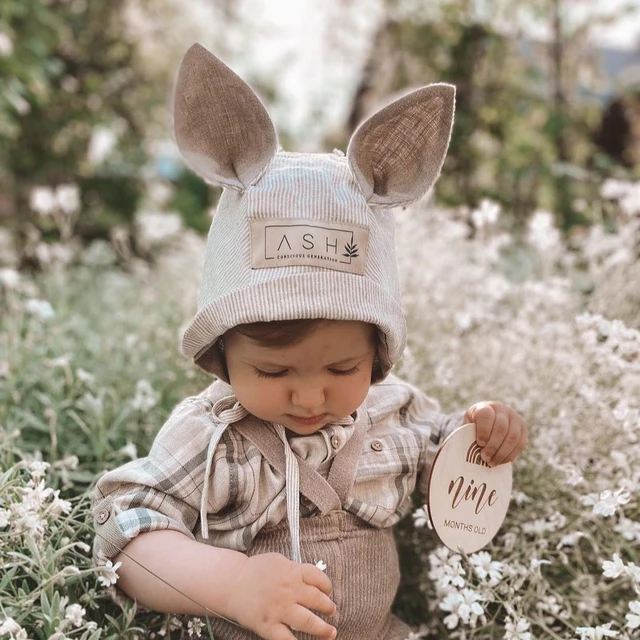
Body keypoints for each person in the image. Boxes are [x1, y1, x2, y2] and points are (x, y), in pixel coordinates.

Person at [91, 43, 528, 640]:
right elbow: (129, 533)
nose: (309, 395)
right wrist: (230, 584)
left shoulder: (389, 412)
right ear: (220, 355)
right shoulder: (217, 440)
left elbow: (442, 469)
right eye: (273, 373)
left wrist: (484, 435)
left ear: (377, 354)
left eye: (343, 367)